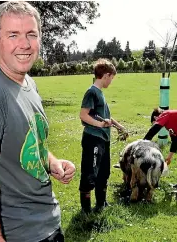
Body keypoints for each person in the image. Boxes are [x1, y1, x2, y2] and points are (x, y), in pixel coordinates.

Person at [0, 2, 75, 241]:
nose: (25, 44)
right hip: (17, 234)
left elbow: (28, 139)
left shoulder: (26, 82)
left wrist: (52, 163)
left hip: (46, 223)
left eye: (32, 34)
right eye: (13, 35)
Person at [78, 58, 126, 214]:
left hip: (104, 139)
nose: (111, 81)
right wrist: (100, 125)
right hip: (93, 139)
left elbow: (105, 116)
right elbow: (83, 115)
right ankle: (86, 212)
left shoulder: (100, 94)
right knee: (90, 172)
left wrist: (119, 126)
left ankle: (101, 204)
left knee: (103, 172)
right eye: (112, 78)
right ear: (106, 75)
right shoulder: (91, 92)